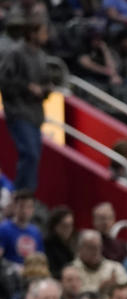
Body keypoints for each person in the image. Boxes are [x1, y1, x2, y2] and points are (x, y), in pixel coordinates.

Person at [0, 15, 50, 191]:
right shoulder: (15, 53)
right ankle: (20, 195)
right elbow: (4, 81)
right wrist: (27, 87)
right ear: (31, 33)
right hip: (18, 112)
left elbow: (47, 83)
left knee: (34, 157)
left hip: (36, 115)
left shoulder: (42, 56)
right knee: (29, 154)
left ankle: (27, 197)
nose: (46, 36)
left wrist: (44, 89)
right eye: (43, 32)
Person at [71, 229, 127, 294]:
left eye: (98, 247)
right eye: (91, 247)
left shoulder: (114, 267)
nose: (95, 251)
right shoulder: (72, 270)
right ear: (80, 248)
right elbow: (73, 294)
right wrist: (100, 289)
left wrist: (115, 287)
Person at [0, 190, 44, 264]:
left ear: (33, 209)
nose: (25, 211)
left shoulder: (36, 232)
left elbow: (40, 260)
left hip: (31, 272)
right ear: (15, 207)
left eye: (29, 207)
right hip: (9, 273)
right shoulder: (4, 229)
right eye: (21, 206)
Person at [44, 206, 76, 278]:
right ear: (55, 226)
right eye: (65, 225)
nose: (69, 229)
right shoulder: (47, 245)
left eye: (70, 225)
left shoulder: (70, 244)